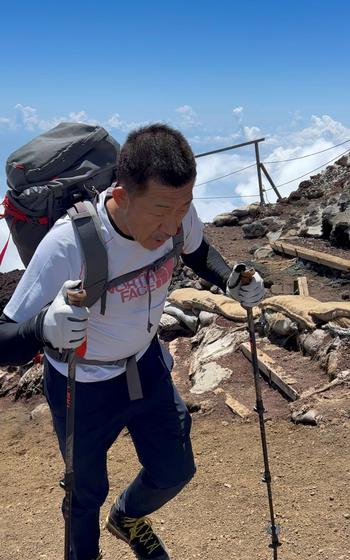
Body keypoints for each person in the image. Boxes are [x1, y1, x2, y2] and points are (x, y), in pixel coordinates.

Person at [0, 124, 265, 560]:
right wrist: (43, 329)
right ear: (121, 197)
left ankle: (126, 517)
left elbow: (198, 251)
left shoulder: (175, 213)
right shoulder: (70, 244)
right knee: (85, 493)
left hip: (145, 365)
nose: (171, 227)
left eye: (183, 209)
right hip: (80, 385)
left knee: (174, 468)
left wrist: (230, 280)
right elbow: (5, 336)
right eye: (161, 212)